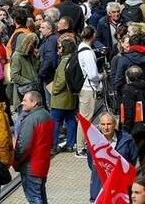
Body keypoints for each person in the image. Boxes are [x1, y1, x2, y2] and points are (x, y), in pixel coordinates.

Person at [13, 91, 54, 204]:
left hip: (31, 167)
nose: (22, 103)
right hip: (42, 164)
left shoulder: (30, 119)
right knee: (41, 195)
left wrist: (16, 161)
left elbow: (23, 145)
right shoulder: (47, 115)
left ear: (34, 102)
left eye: (25, 100)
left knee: (34, 198)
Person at [89, 112, 139, 202]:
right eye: (103, 124)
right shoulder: (93, 141)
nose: (106, 127)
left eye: (109, 124)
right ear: (99, 125)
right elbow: (91, 163)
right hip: (100, 188)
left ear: (115, 124)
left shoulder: (126, 140)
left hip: (121, 189)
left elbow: (133, 161)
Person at [76, 26, 104, 156]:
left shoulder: (81, 47)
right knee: (85, 119)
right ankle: (81, 148)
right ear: (92, 35)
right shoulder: (87, 52)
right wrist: (102, 76)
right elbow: (93, 75)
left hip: (84, 87)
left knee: (85, 117)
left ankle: (84, 144)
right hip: (88, 88)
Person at [50, 39, 78, 152]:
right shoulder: (74, 59)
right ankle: (70, 144)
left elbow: (61, 79)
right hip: (71, 97)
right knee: (71, 120)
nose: (59, 49)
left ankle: (53, 145)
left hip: (60, 98)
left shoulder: (64, 61)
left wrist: (54, 90)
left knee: (55, 122)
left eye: (60, 47)